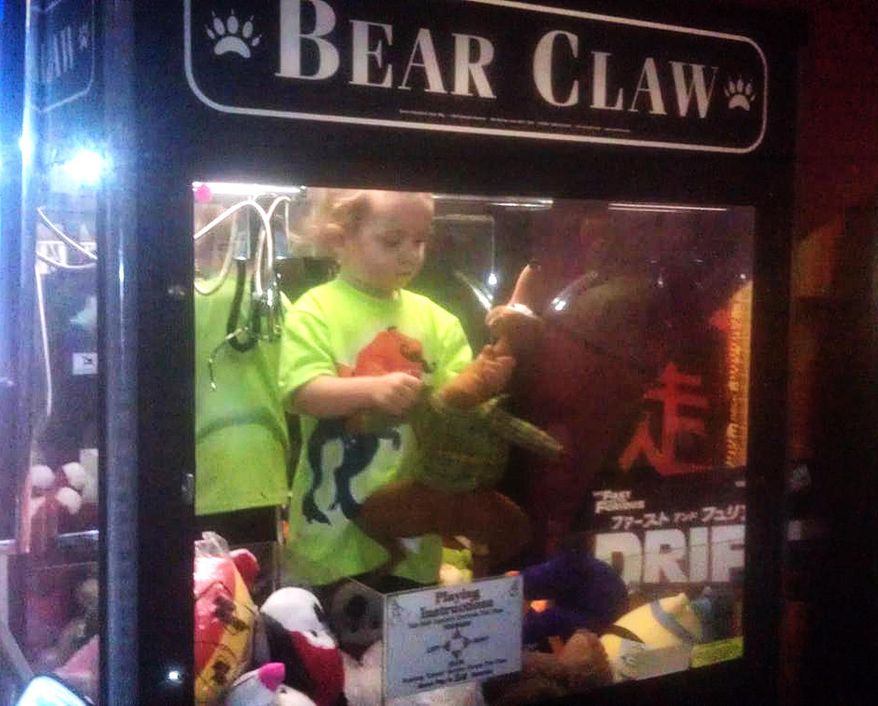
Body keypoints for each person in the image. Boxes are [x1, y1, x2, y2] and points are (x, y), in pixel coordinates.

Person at [280, 189, 504, 591]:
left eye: (420, 241)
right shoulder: (314, 309)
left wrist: (487, 381)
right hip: (332, 533)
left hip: (415, 530)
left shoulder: (440, 321)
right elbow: (301, 391)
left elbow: (461, 409)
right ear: (340, 238)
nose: (410, 254)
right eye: (392, 241)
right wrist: (372, 390)